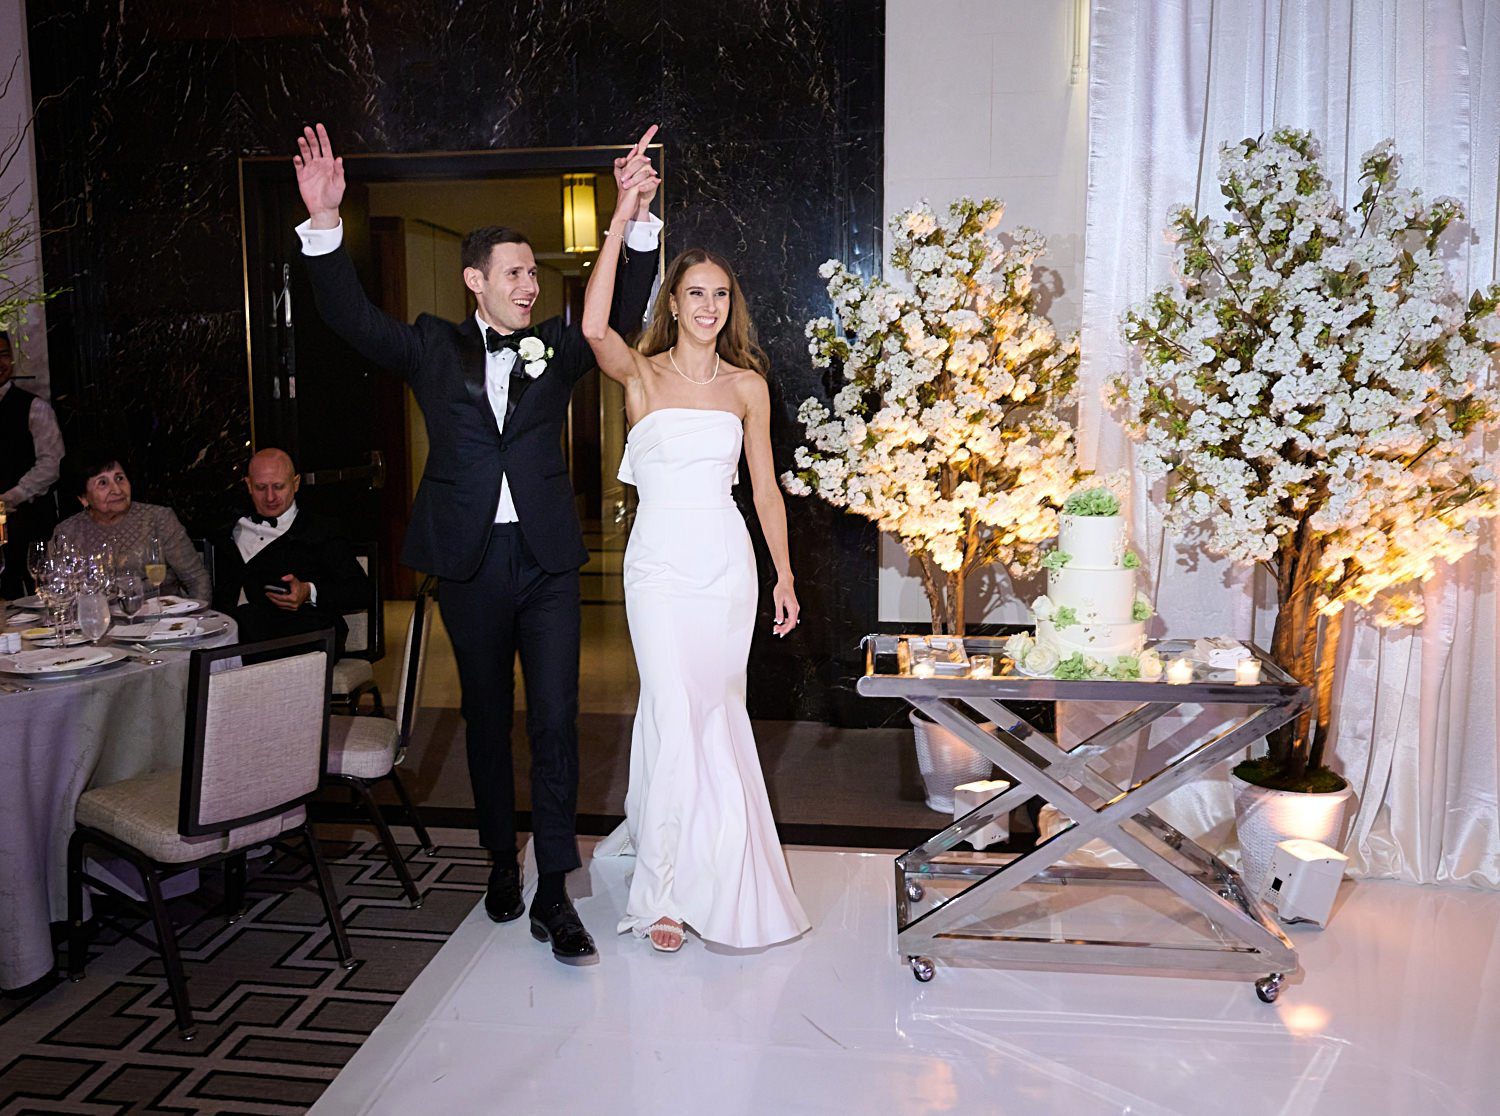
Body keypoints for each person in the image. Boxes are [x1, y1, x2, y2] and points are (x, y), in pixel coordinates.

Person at [292, 123, 662, 966]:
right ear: (475, 282)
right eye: (517, 273)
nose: (531, 285)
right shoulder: (430, 343)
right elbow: (350, 318)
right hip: (467, 561)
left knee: (559, 722)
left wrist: (632, 214)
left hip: (548, 563)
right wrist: (323, 225)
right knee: (488, 718)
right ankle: (501, 858)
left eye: (535, 273)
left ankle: (553, 891)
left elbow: (622, 311)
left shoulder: (558, 347)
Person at [583, 186, 810, 952]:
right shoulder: (640, 376)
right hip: (657, 570)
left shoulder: (747, 388)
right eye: (695, 293)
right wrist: (621, 214)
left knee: (711, 716)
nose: (709, 305)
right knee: (675, 712)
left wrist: (783, 574)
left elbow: (767, 490)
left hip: (726, 567)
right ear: (673, 303)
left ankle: (708, 863)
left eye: (720, 294)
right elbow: (590, 326)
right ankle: (665, 895)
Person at [209, 448, 370, 654]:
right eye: (260, 487)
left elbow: (361, 591)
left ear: (295, 484)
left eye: (278, 487)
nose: (270, 497)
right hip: (237, 639)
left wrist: (308, 591)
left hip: (304, 637)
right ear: (248, 485)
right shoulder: (228, 528)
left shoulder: (321, 530)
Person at [52, 446, 211, 601]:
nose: (117, 489)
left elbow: (197, 580)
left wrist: (195, 621)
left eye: (120, 478)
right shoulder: (67, 532)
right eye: (103, 483)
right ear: (83, 498)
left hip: (161, 620)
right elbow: (58, 592)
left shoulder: (157, 519)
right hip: (98, 623)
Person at [0, 329, 64, 598]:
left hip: (27, 520)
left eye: (4, 355)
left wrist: (11, 496)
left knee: (31, 592)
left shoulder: (34, 407)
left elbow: (51, 463)